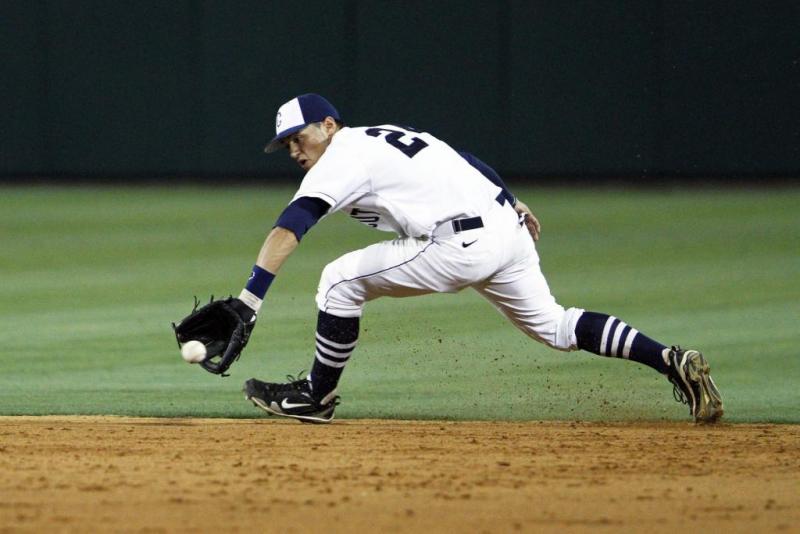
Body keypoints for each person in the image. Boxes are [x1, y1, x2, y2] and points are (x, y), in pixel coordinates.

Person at [235, 93, 723, 424]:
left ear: (328, 125)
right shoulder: (380, 134)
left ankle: (315, 397)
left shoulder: (341, 154)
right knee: (556, 326)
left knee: (339, 281)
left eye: (301, 137)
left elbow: (291, 225)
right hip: (503, 233)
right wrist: (510, 200)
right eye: (287, 145)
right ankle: (671, 360)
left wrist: (249, 300)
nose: (296, 150)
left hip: (458, 244)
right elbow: (462, 157)